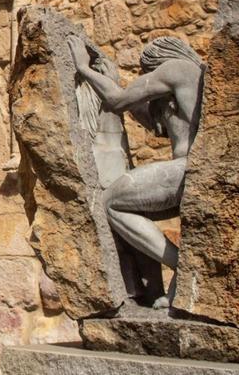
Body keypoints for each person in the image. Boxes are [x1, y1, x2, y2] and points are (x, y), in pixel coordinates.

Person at [69, 35, 205, 309]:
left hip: (185, 169)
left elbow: (118, 101)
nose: (148, 77)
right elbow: (160, 129)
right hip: (189, 170)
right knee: (134, 205)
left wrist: (84, 68)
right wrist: (116, 82)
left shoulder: (175, 68)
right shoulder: (196, 77)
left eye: (148, 72)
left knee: (111, 203)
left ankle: (183, 263)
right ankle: (162, 284)